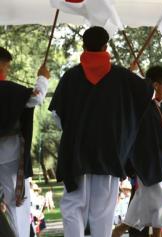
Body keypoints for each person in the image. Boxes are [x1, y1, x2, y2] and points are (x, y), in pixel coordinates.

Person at [49, 26, 154, 237]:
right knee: (103, 211)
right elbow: (148, 94)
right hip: (109, 152)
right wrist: (132, 77)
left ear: (83, 46)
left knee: (72, 206)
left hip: (76, 153)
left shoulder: (70, 77)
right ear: (106, 47)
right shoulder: (122, 77)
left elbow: (57, 117)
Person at [113, 65, 162, 237]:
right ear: (155, 85)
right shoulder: (140, 104)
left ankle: (118, 230)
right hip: (145, 161)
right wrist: (133, 73)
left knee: (139, 203)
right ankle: (156, 234)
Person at [0, 47, 49, 237]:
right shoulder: (9, 90)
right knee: (17, 205)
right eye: (7, 66)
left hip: (10, 157)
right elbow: (35, 98)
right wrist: (42, 78)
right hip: (10, 157)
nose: (8, 70)